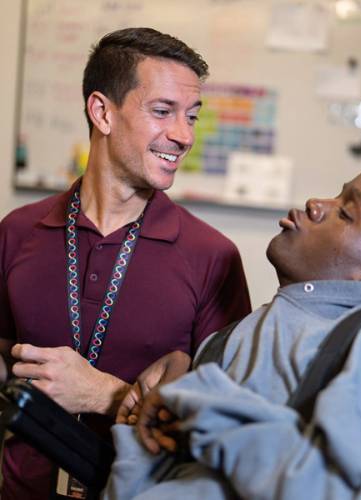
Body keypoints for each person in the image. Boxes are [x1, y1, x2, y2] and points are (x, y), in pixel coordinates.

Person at [105, 166, 361, 500]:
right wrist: (158, 413)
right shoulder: (240, 335)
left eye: (345, 212)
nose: (315, 203)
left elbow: (349, 486)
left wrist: (197, 406)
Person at [0, 27, 251, 499]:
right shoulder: (17, 230)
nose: (183, 136)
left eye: (191, 117)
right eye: (163, 112)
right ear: (102, 112)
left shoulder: (212, 256)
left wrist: (104, 394)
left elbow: (231, 423)